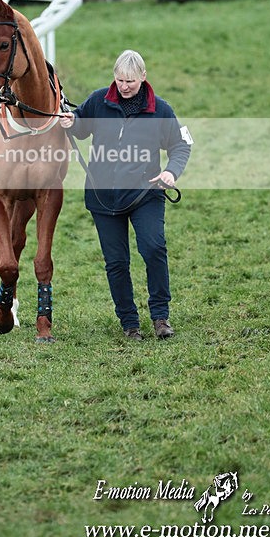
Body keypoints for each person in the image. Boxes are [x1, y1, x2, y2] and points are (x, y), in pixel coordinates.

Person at [60, 50, 192, 341]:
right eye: (119, 80)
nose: (124, 86)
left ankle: (160, 316)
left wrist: (171, 172)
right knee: (116, 262)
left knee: (153, 248)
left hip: (146, 194)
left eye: (130, 81)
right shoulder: (99, 100)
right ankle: (129, 323)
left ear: (143, 77)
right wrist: (72, 121)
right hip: (103, 198)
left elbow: (181, 145)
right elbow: (81, 126)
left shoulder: (161, 110)